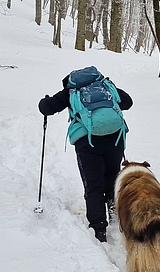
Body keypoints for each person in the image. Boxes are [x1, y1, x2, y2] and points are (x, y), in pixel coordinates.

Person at [38, 69, 133, 243]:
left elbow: (46, 108)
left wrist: (44, 101)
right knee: (113, 177)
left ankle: (99, 230)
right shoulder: (105, 85)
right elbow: (128, 102)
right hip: (114, 138)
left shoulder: (71, 91)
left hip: (87, 142)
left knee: (93, 185)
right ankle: (115, 215)